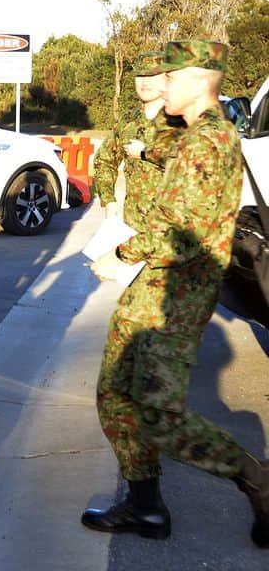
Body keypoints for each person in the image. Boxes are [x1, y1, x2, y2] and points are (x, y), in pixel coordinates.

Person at [85, 40, 269, 548]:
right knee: (115, 394)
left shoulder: (208, 141)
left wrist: (119, 255)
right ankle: (144, 504)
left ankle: (257, 480)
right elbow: (159, 149)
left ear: (196, 79)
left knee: (160, 417)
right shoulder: (192, 135)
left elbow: (176, 229)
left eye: (170, 76)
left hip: (177, 293)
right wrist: (144, 149)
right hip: (155, 286)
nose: (160, 84)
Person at [93, 50, 183, 227]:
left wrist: (145, 153)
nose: (144, 81)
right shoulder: (128, 121)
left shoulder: (181, 120)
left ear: (167, 79)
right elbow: (104, 160)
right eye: (140, 75)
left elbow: (191, 164)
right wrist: (109, 200)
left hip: (172, 231)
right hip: (134, 226)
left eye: (152, 75)